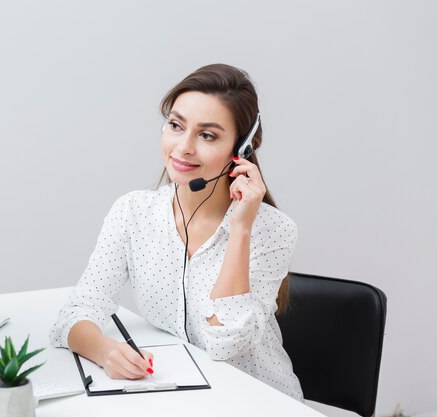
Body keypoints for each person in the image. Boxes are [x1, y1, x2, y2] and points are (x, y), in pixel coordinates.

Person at [49, 64, 303, 400]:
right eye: (175, 125)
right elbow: (73, 315)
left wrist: (240, 229)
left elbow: (224, 343)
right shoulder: (133, 213)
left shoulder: (272, 230)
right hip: (181, 399)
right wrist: (105, 351)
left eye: (207, 135)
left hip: (257, 400)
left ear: (241, 149)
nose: (183, 147)